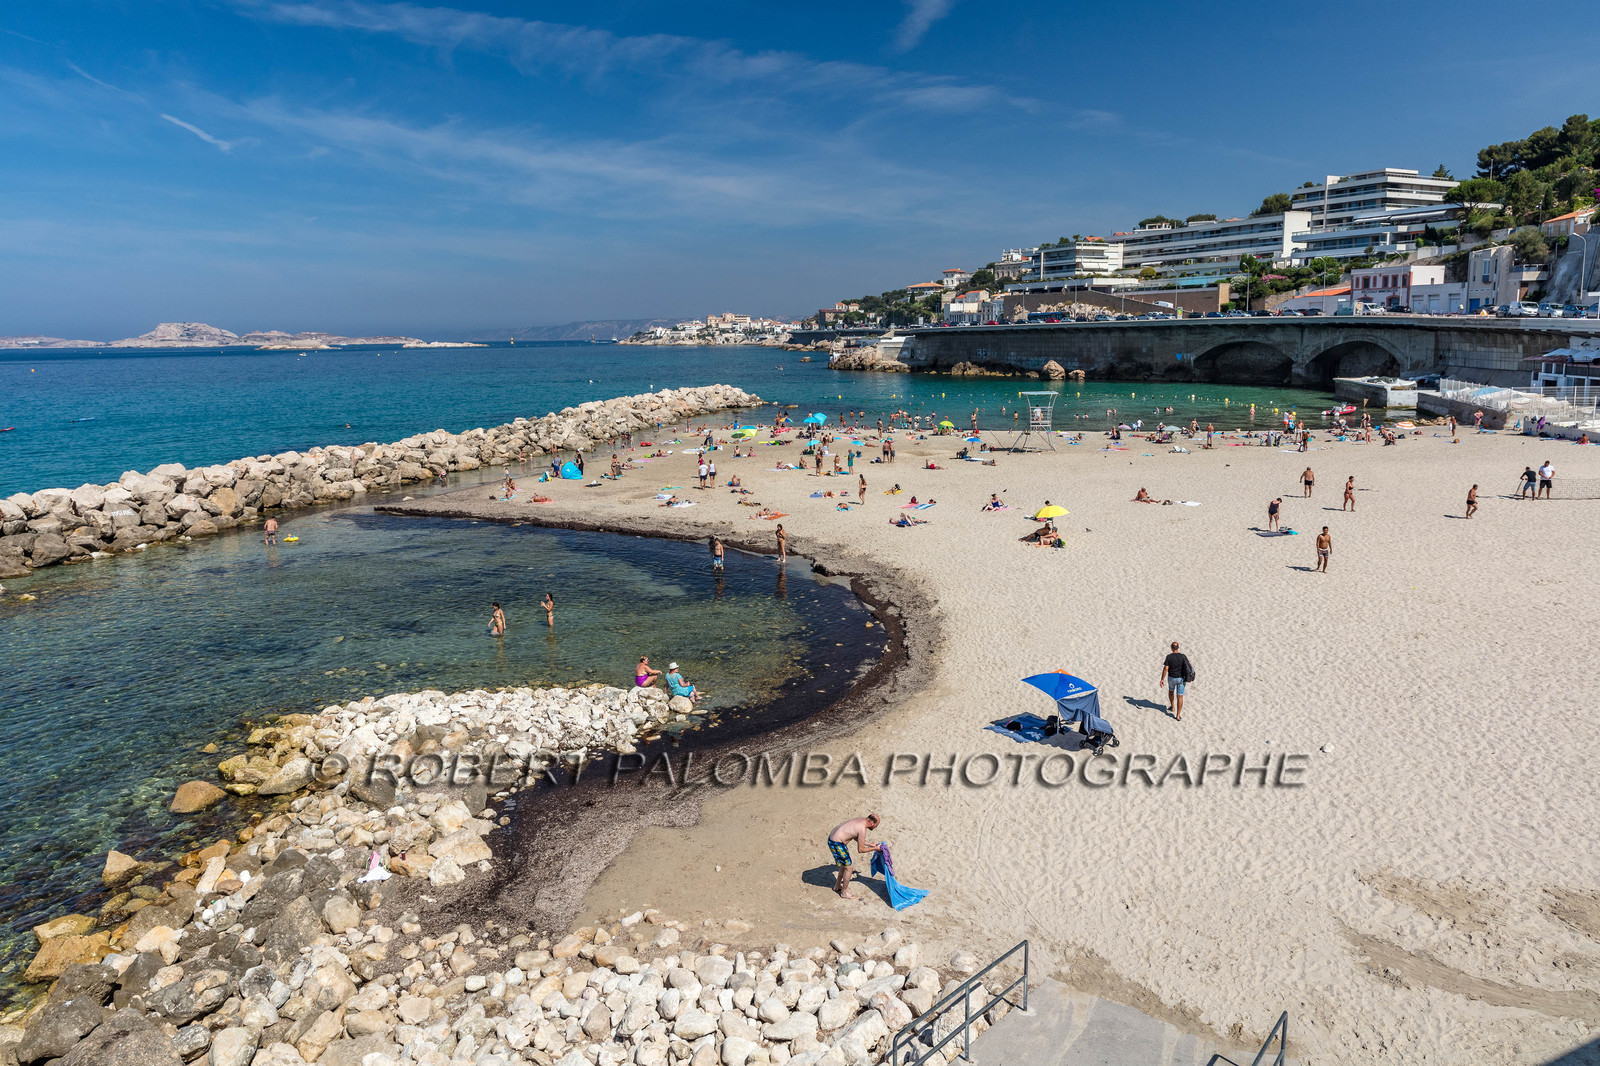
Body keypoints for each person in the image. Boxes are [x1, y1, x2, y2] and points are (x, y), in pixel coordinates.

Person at [827, 814, 882, 899]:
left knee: (845, 865)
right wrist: (875, 848)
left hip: (833, 838)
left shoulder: (859, 821)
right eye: (876, 825)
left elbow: (855, 836)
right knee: (849, 868)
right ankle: (844, 892)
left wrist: (871, 845)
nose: (875, 827)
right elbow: (861, 850)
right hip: (836, 843)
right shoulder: (862, 829)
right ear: (871, 823)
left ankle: (837, 886)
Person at [1159, 641, 1191, 721]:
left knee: (1171, 691)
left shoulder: (1169, 657)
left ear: (1171, 648)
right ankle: (1178, 715)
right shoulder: (1183, 656)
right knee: (1180, 696)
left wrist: (1162, 679)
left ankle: (1172, 707)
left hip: (1171, 678)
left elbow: (1166, 668)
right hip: (1181, 678)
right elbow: (1188, 665)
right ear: (1178, 647)